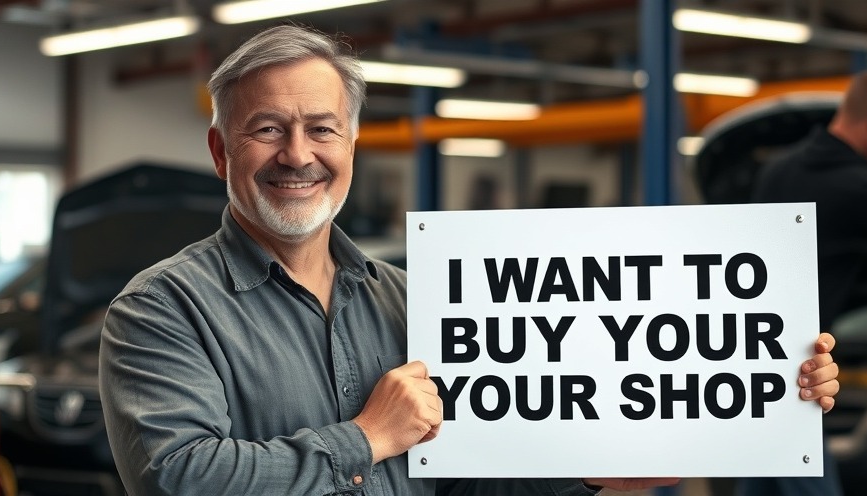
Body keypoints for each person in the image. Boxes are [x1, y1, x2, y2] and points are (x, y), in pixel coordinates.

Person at [98, 24, 841, 496]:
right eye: (267, 129)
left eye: (321, 128)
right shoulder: (162, 308)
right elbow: (179, 478)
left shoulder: (416, 297)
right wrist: (367, 438)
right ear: (221, 150)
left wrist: (592, 471)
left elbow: (470, 478)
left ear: (350, 146)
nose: (298, 154)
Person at [741, 72, 867, 496]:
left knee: (761, 477)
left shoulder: (778, 170)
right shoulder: (856, 188)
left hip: (753, 349)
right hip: (801, 367)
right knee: (808, 480)